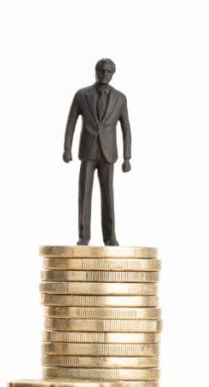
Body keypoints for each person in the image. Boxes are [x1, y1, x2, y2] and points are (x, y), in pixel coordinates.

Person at [63, 58, 132, 246]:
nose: (105, 74)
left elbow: (126, 127)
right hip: (87, 150)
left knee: (108, 195)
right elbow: (71, 122)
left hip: (108, 153)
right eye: (102, 70)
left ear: (113, 74)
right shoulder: (81, 95)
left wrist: (127, 157)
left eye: (109, 71)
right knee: (84, 194)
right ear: (96, 71)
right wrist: (67, 148)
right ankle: (83, 236)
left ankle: (110, 237)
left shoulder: (120, 98)